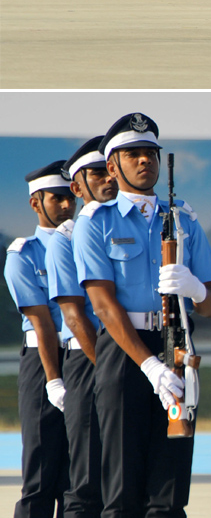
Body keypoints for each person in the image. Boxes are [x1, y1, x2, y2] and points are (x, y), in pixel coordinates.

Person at [73, 113, 211, 517]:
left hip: (177, 346)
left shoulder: (183, 219)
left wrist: (193, 287)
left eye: (150, 154)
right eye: (133, 154)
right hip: (125, 355)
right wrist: (151, 367)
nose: (144, 161)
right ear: (112, 166)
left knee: (169, 490)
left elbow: (209, 305)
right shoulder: (94, 223)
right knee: (122, 489)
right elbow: (103, 304)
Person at [47, 139, 116, 518]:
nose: (109, 179)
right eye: (97, 174)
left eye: (110, 171)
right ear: (77, 186)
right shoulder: (67, 238)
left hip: (131, 358)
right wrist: (108, 365)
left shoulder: (133, 227)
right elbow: (74, 315)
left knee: (127, 475)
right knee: (87, 477)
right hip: (91, 361)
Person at [6, 161, 74, 518]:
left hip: (81, 358)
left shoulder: (83, 245)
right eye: (58, 198)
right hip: (44, 364)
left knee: (77, 479)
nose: (67, 206)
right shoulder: (24, 254)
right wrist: (53, 379)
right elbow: (42, 322)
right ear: (36, 202)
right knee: (41, 475)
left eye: (71, 198)